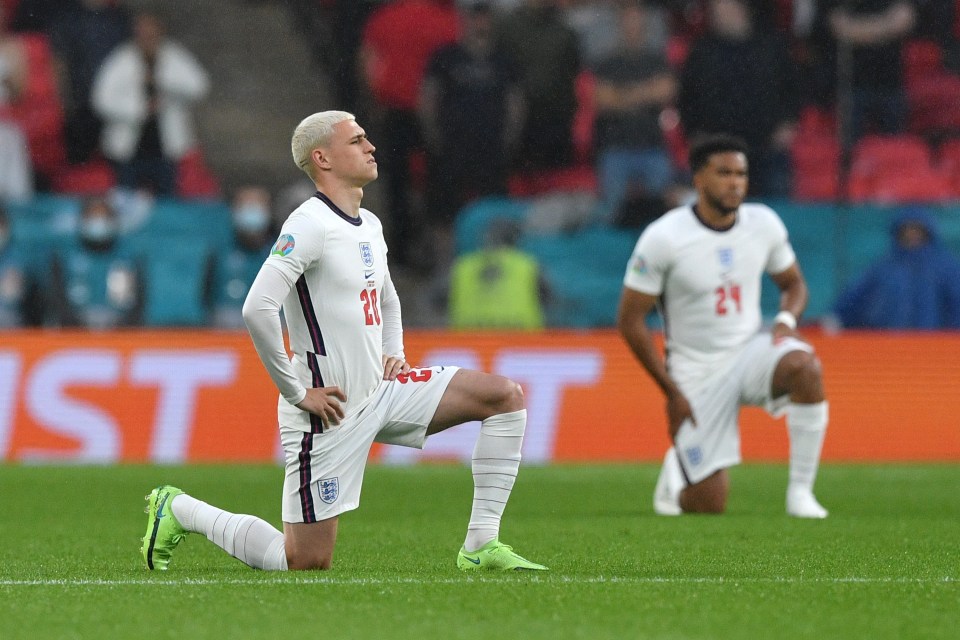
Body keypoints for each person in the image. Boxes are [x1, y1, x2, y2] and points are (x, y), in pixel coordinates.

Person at [141, 110, 547, 573]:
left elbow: (388, 298)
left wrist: (394, 352)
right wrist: (298, 393)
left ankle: (480, 545)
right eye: (356, 140)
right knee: (305, 560)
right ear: (323, 158)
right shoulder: (309, 224)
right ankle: (180, 510)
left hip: (382, 389)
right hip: (328, 408)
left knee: (503, 398)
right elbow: (257, 308)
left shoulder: (368, 223)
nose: (370, 146)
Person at [616, 133, 829, 518]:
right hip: (695, 371)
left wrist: (784, 320)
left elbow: (794, 284)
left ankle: (801, 494)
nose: (735, 183)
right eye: (724, 173)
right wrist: (671, 390)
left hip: (749, 351)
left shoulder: (763, 223)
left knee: (805, 366)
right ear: (698, 179)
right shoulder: (664, 237)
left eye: (741, 174)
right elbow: (630, 320)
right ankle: (675, 481)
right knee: (708, 506)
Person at [419, 1, 523, 271]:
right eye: (475, 18)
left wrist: (509, 139)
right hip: (451, 148)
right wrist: (433, 137)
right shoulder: (445, 57)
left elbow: (515, 103)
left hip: (491, 150)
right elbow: (428, 98)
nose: (480, 24)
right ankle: (447, 270)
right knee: (444, 213)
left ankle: (492, 268)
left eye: (485, 19)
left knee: (493, 211)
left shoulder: (505, 60)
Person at [677, 0, 798, 198]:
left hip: (766, 148)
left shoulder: (771, 46)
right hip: (718, 149)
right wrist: (694, 133)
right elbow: (687, 97)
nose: (718, 14)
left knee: (771, 211)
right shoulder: (702, 51)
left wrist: (789, 123)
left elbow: (792, 88)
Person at [91, 10, 209, 195]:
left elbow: (199, 87)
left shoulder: (174, 56)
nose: (146, 37)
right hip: (128, 150)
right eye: (142, 32)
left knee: (167, 201)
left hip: (166, 149)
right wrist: (140, 109)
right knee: (125, 200)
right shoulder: (122, 59)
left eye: (151, 32)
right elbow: (101, 100)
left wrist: (161, 81)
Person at [592, 0, 677, 220]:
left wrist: (624, 95)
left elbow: (666, 91)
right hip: (616, 147)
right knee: (612, 213)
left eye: (637, 20)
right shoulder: (608, 62)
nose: (633, 25)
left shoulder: (656, 59)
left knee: (661, 213)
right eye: (628, 20)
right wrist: (645, 91)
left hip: (652, 146)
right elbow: (604, 100)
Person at [833, 207, 960, 329]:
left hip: (936, 344)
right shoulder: (884, 268)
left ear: (927, 232)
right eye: (907, 230)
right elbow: (856, 298)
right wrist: (836, 319)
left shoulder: (946, 268)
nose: (911, 235)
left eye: (917, 230)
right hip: (891, 343)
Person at [49, 196, 143, 328]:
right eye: (92, 217)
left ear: (114, 221)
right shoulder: (64, 256)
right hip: (73, 330)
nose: (98, 223)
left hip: (119, 330)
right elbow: (57, 300)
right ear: (81, 220)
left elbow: (136, 304)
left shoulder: (128, 258)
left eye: (103, 217)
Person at [447, 217, 548, 330]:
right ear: (515, 239)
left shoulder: (464, 265)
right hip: (520, 339)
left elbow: (437, 301)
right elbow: (549, 299)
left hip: (469, 339)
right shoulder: (527, 264)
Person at [207, 185, 275, 329]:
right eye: (246, 207)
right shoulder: (220, 251)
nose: (251, 212)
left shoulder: (282, 250)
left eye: (256, 207)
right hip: (226, 322)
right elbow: (206, 293)